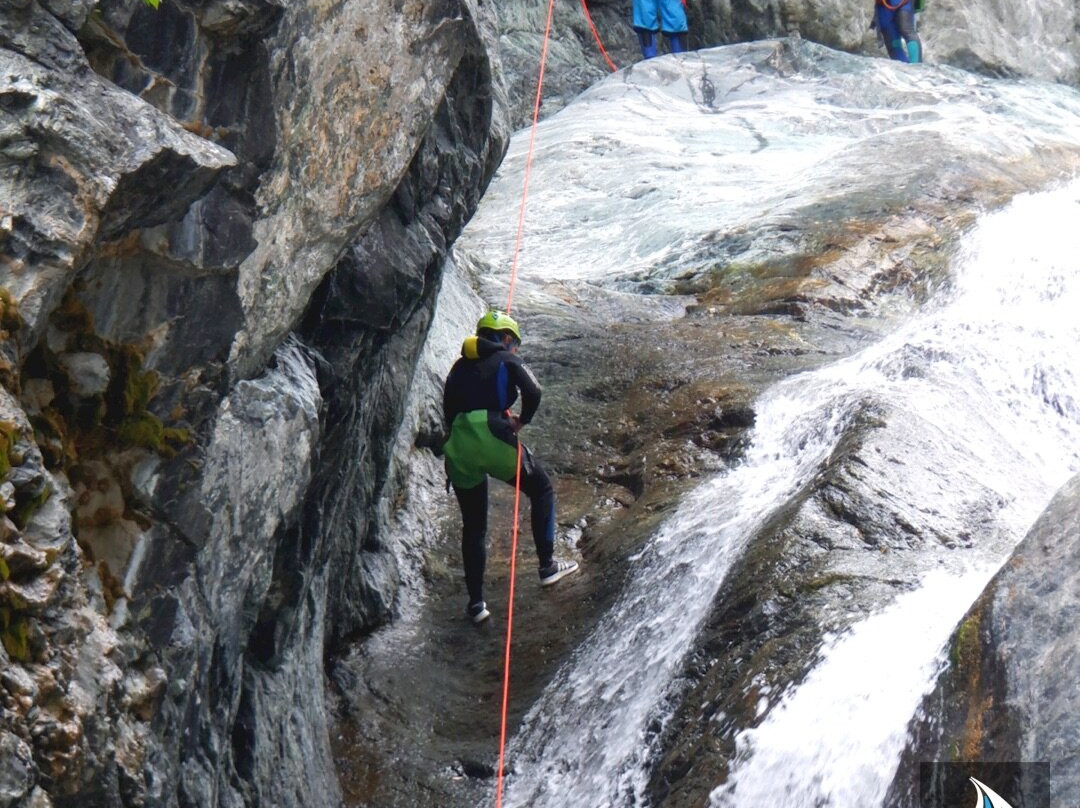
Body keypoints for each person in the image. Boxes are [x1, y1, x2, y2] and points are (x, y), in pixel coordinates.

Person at [442, 310, 578, 624]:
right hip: (491, 433)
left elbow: (448, 409)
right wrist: (521, 421)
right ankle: (547, 567)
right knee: (540, 487)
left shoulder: (458, 367)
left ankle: (476, 605)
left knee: (474, 526)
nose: (514, 349)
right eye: (513, 343)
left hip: (458, 444)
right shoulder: (507, 359)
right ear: (505, 338)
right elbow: (534, 391)